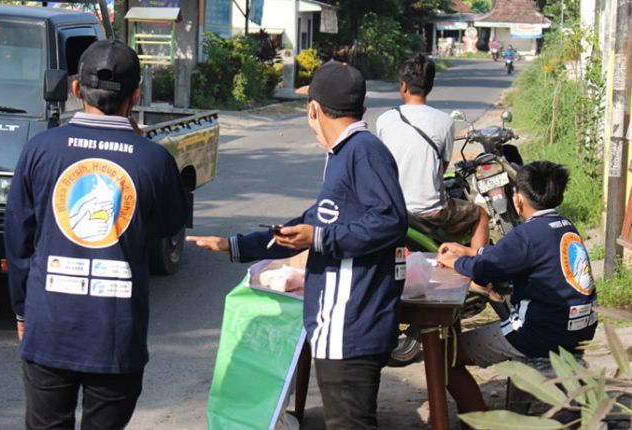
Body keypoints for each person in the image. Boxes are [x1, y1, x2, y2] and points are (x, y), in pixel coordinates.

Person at [187, 62, 408, 430]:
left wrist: (319, 238)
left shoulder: (363, 151)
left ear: (314, 109)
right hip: (337, 325)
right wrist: (234, 245)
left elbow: (390, 221)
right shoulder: (343, 153)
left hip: (350, 324)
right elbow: (303, 227)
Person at [4, 39, 188, 429]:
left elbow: (18, 240)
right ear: (136, 95)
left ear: (75, 89)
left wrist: (23, 310)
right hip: (116, 334)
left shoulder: (39, 150)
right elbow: (169, 226)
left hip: (49, 325)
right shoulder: (154, 159)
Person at [437, 161, 597, 413]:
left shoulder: (526, 234)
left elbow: (484, 271)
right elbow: (509, 257)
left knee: (443, 356)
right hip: (580, 328)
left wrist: (456, 262)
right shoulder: (566, 227)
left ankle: (479, 423)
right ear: (560, 196)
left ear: (518, 199)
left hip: (539, 334)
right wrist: (472, 251)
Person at [376, 54, 489, 250]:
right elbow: (442, 168)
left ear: (403, 86)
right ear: (430, 85)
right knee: (480, 214)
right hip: (433, 212)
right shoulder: (444, 121)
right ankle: (477, 269)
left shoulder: (384, 120)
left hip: (393, 208)